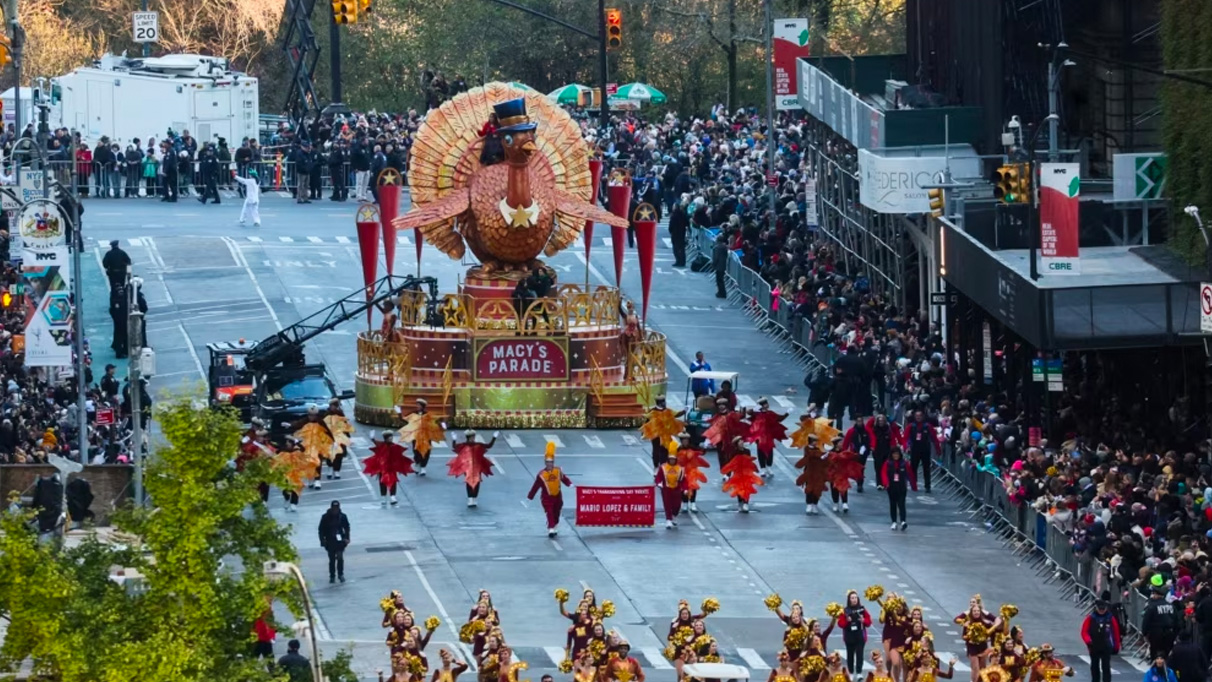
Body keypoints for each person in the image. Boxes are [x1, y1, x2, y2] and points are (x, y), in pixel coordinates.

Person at [527, 442, 572, 537]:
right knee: (549, 512)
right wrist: (530, 497)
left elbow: (564, 479)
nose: (549, 464)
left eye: (551, 462)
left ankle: (554, 525)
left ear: (553, 463)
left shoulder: (558, 471)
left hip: (558, 496)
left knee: (557, 511)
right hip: (547, 497)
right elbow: (535, 487)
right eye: (547, 462)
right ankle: (551, 528)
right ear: (545, 463)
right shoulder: (541, 475)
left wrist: (570, 484)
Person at [363, 430, 415, 507]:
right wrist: (372, 438)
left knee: (393, 481)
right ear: (386, 438)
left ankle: (392, 496)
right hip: (382, 468)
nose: (391, 439)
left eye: (391, 437)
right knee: (382, 482)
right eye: (389, 438)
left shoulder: (394, 446)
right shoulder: (381, 445)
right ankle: (383, 497)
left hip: (391, 468)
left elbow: (400, 452)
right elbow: (375, 442)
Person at [449, 430, 498, 508]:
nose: (473, 438)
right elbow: (455, 447)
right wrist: (454, 439)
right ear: (469, 437)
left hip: (477, 465)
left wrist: (494, 437)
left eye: (473, 437)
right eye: (472, 437)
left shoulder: (478, 445)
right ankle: (470, 498)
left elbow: (489, 445)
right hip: (467, 466)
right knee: (468, 480)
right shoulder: (464, 445)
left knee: (477, 481)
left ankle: (474, 498)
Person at [1081, 598, 1121, 682]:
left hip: (1106, 646)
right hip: (1093, 646)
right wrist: (1088, 641)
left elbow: (1116, 633)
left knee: (1106, 667)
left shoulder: (1110, 618)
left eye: (1103, 609)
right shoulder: (1091, 618)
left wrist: (1116, 646)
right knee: (1094, 667)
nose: (1101, 610)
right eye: (1100, 609)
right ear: (1096, 608)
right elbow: (1084, 632)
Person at [903, 411, 939, 493]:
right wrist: (906, 447)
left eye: (920, 416)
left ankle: (927, 486)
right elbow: (905, 438)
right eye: (917, 416)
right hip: (914, 449)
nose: (918, 417)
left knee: (926, 468)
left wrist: (938, 449)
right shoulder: (911, 426)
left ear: (923, 417)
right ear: (914, 417)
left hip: (925, 449)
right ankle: (913, 484)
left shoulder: (928, 426)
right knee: (913, 468)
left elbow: (934, 438)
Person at [1142, 585, 1179, 660]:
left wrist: (1144, 633)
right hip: (1169, 633)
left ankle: (1156, 670)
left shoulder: (1152, 606)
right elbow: (1176, 621)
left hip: (1156, 633)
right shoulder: (1171, 606)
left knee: (1155, 655)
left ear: (1157, 595)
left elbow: (1146, 620)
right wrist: (1175, 634)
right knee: (1166, 654)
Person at [839, 590, 872, 674]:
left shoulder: (862, 609)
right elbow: (840, 624)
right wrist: (847, 621)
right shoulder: (845, 611)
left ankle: (859, 673)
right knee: (850, 655)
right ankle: (850, 672)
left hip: (860, 635)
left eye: (855, 598)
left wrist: (863, 620)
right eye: (852, 598)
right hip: (849, 636)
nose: (854, 599)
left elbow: (868, 622)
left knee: (859, 655)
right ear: (849, 600)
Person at [318, 500, 350, 583]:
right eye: (334, 508)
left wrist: (347, 538)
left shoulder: (342, 516)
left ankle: (340, 574)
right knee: (332, 559)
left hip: (340, 540)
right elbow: (321, 530)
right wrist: (322, 540)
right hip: (330, 540)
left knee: (340, 557)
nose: (335, 510)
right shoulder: (325, 517)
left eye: (337, 508)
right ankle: (332, 576)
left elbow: (346, 527)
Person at [880, 447, 912, 531]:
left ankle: (903, 521)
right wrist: (886, 483)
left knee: (901, 504)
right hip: (891, 487)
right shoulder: (887, 463)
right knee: (893, 504)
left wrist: (912, 484)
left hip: (901, 487)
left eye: (897, 454)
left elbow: (909, 474)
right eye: (894, 454)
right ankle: (894, 522)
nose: (896, 455)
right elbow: (883, 473)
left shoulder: (904, 463)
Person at [655, 444, 685, 528]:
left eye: (673, 459)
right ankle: (668, 519)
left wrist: (685, 488)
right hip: (666, 489)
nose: (672, 461)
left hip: (677, 489)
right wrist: (659, 483)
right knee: (667, 505)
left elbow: (683, 480)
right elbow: (658, 478)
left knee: (677, 505)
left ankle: (674, 516)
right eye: (670, 459)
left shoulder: (680, 468)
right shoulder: (663, 467)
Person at [712, 233, 730, 298]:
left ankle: (721, 292)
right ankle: (722, 292)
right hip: (723, 265)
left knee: (719, 280)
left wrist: (713, 264)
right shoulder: (725, 248)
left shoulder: (717, 248)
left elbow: (716, 257)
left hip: (718, 266)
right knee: (721, 279)